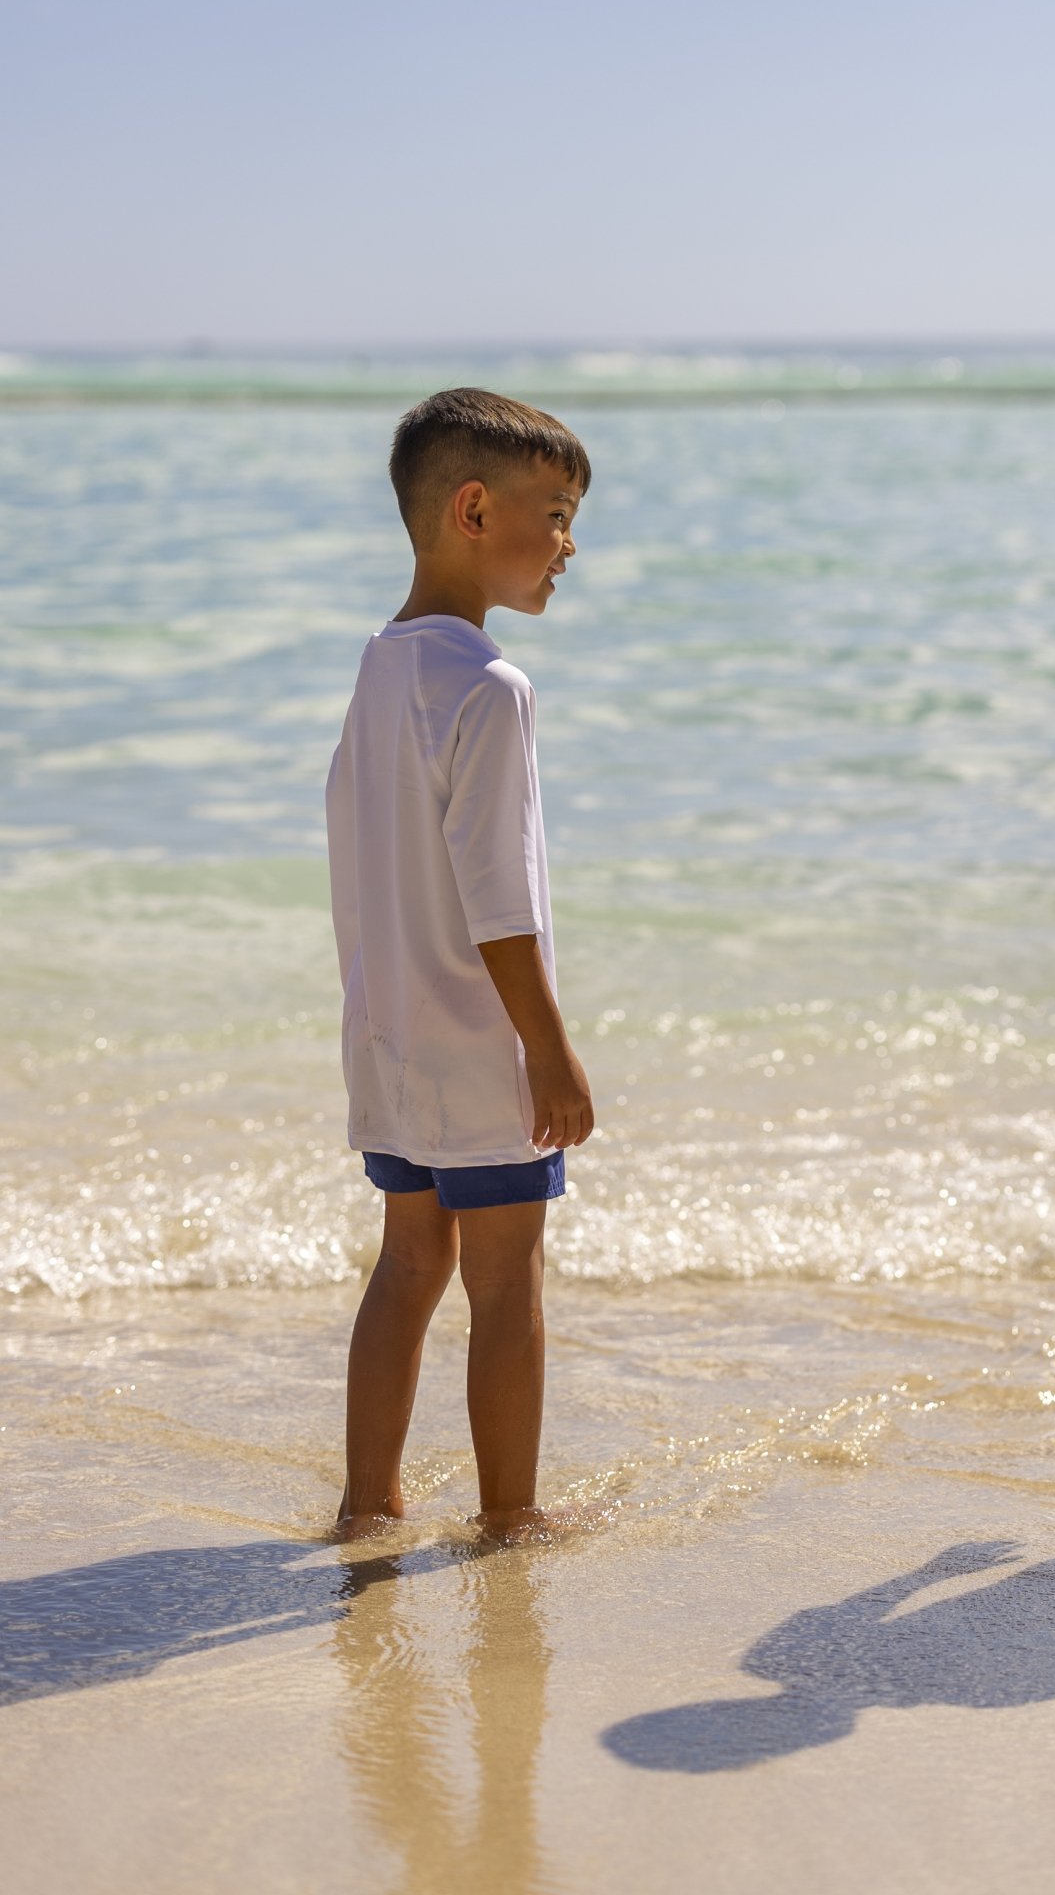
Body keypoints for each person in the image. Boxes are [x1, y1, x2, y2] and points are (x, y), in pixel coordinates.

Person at [325, 387, 596, 1540]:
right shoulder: (489, 686)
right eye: (557, 511)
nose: (570, 544)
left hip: (390, 1035)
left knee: (406, 1266)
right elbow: (499, 898)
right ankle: (508, 1516)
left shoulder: (383, 667)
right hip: (478, 1043)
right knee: (505, 1286)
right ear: (473, 510)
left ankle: (368, 1497)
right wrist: (550, 1048)